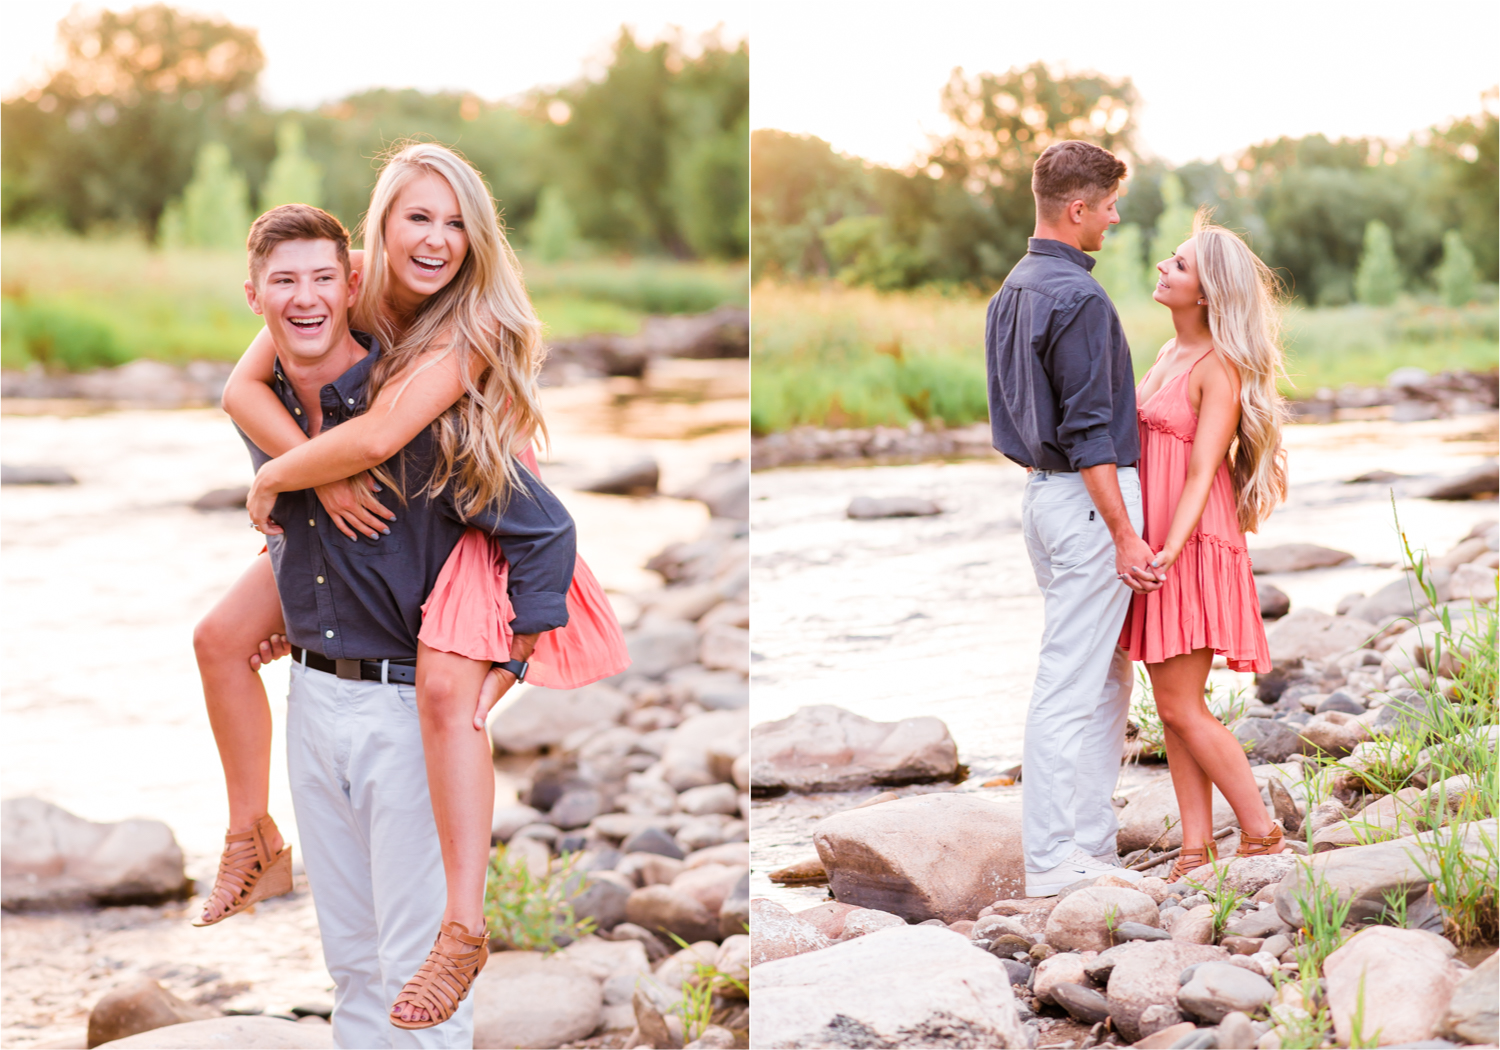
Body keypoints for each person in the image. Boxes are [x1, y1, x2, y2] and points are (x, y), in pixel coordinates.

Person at [193, 145, 623, 1045]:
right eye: (416, 217)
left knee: (443, 697)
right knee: (221, 638)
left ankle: (463, 925)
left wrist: (286, 479)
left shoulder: (470, 328)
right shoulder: (335, 289)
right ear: (377, 235)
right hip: (327, 661)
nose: (435, 239)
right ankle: (248, 833)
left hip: (474, 510)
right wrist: (304, 477)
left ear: (479, 236)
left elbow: (390, 434)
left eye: (456, 221)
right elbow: (242, 387)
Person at [985, 139, 1162, 898]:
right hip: (1089, 506)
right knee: (1071, 682)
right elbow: (1091, 429)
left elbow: (1016, 415)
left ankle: (1090, 843)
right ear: (1078, 207)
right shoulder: (1079, 299)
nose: (1116, 220)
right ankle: (1056, 861)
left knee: (1102, 678)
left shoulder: (1012, 290)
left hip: (1044, 499)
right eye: (1110, 206)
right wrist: (1125, 531)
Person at [1120, 213, 1289, 880]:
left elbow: (1201, 469)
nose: (1164, 267)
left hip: (1189, 541)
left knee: (1181, 706)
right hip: (1160, 538)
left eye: (1180, 265)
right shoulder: (1168, 354)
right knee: (1172, 707)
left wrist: (1166, 547)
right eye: (1170, 258)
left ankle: (1262, 832)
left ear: (1209, 293)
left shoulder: (1218, 366)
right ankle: (1196, 848)